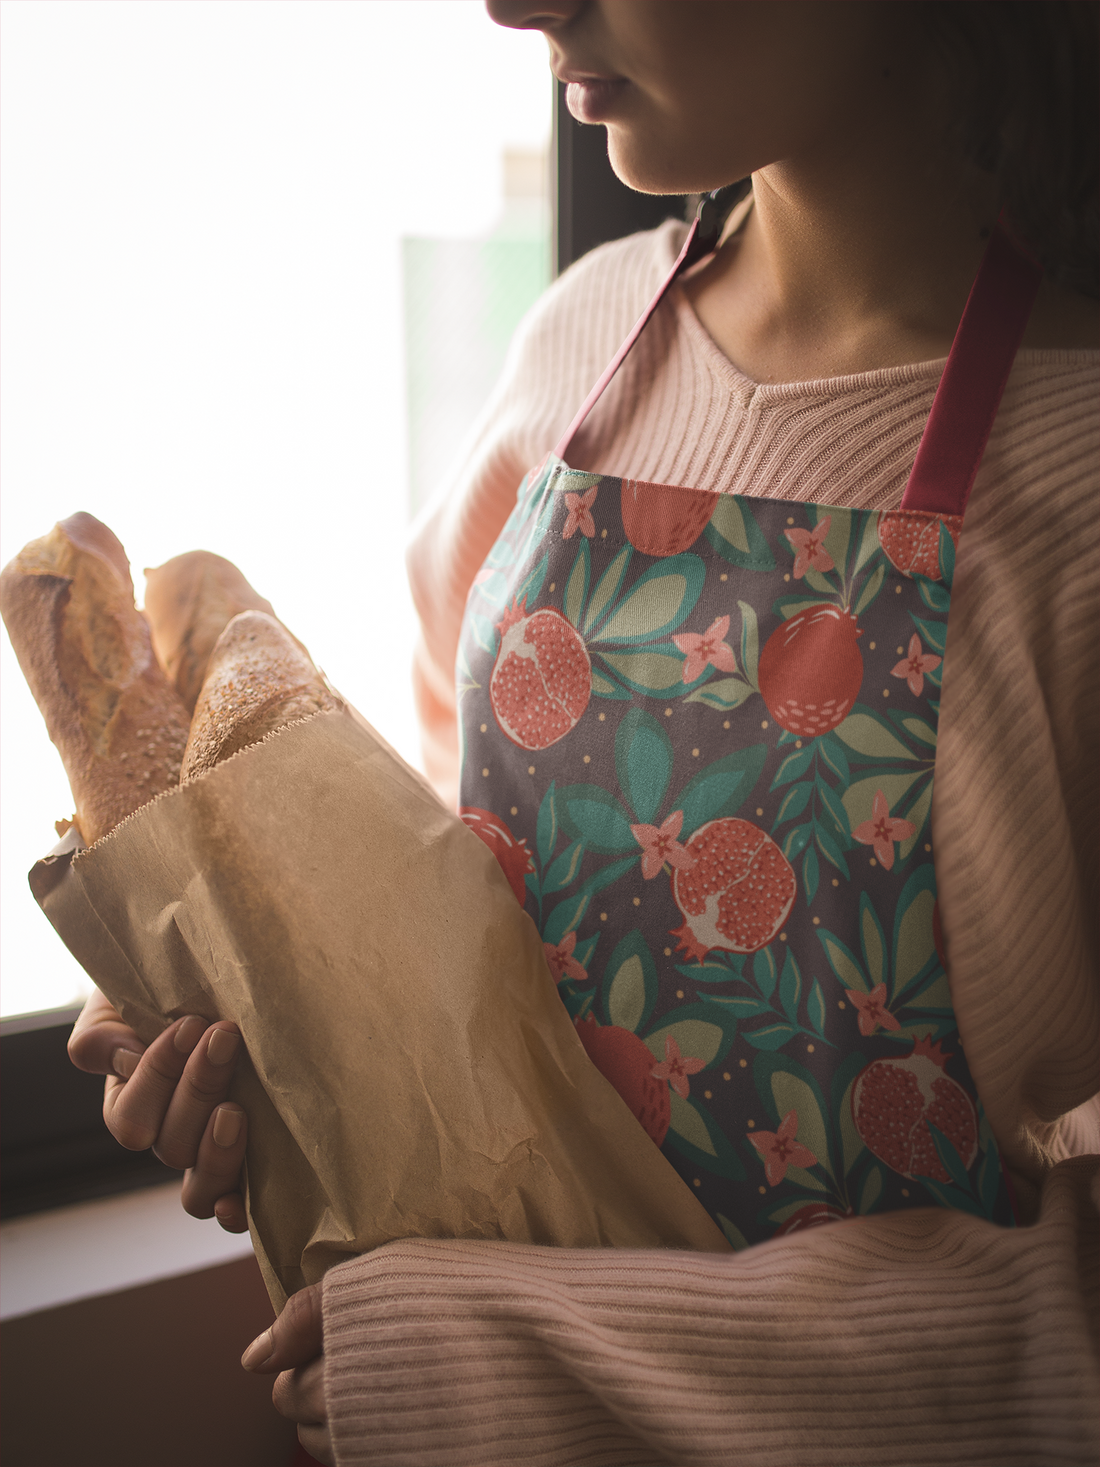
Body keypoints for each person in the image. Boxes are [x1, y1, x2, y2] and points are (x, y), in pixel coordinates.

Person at [68, 3, 1098, 1464]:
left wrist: (503, 1355)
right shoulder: (575, 348)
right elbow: (460, 934)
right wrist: (273, 1039)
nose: (514, 1)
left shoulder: (1081, 492)